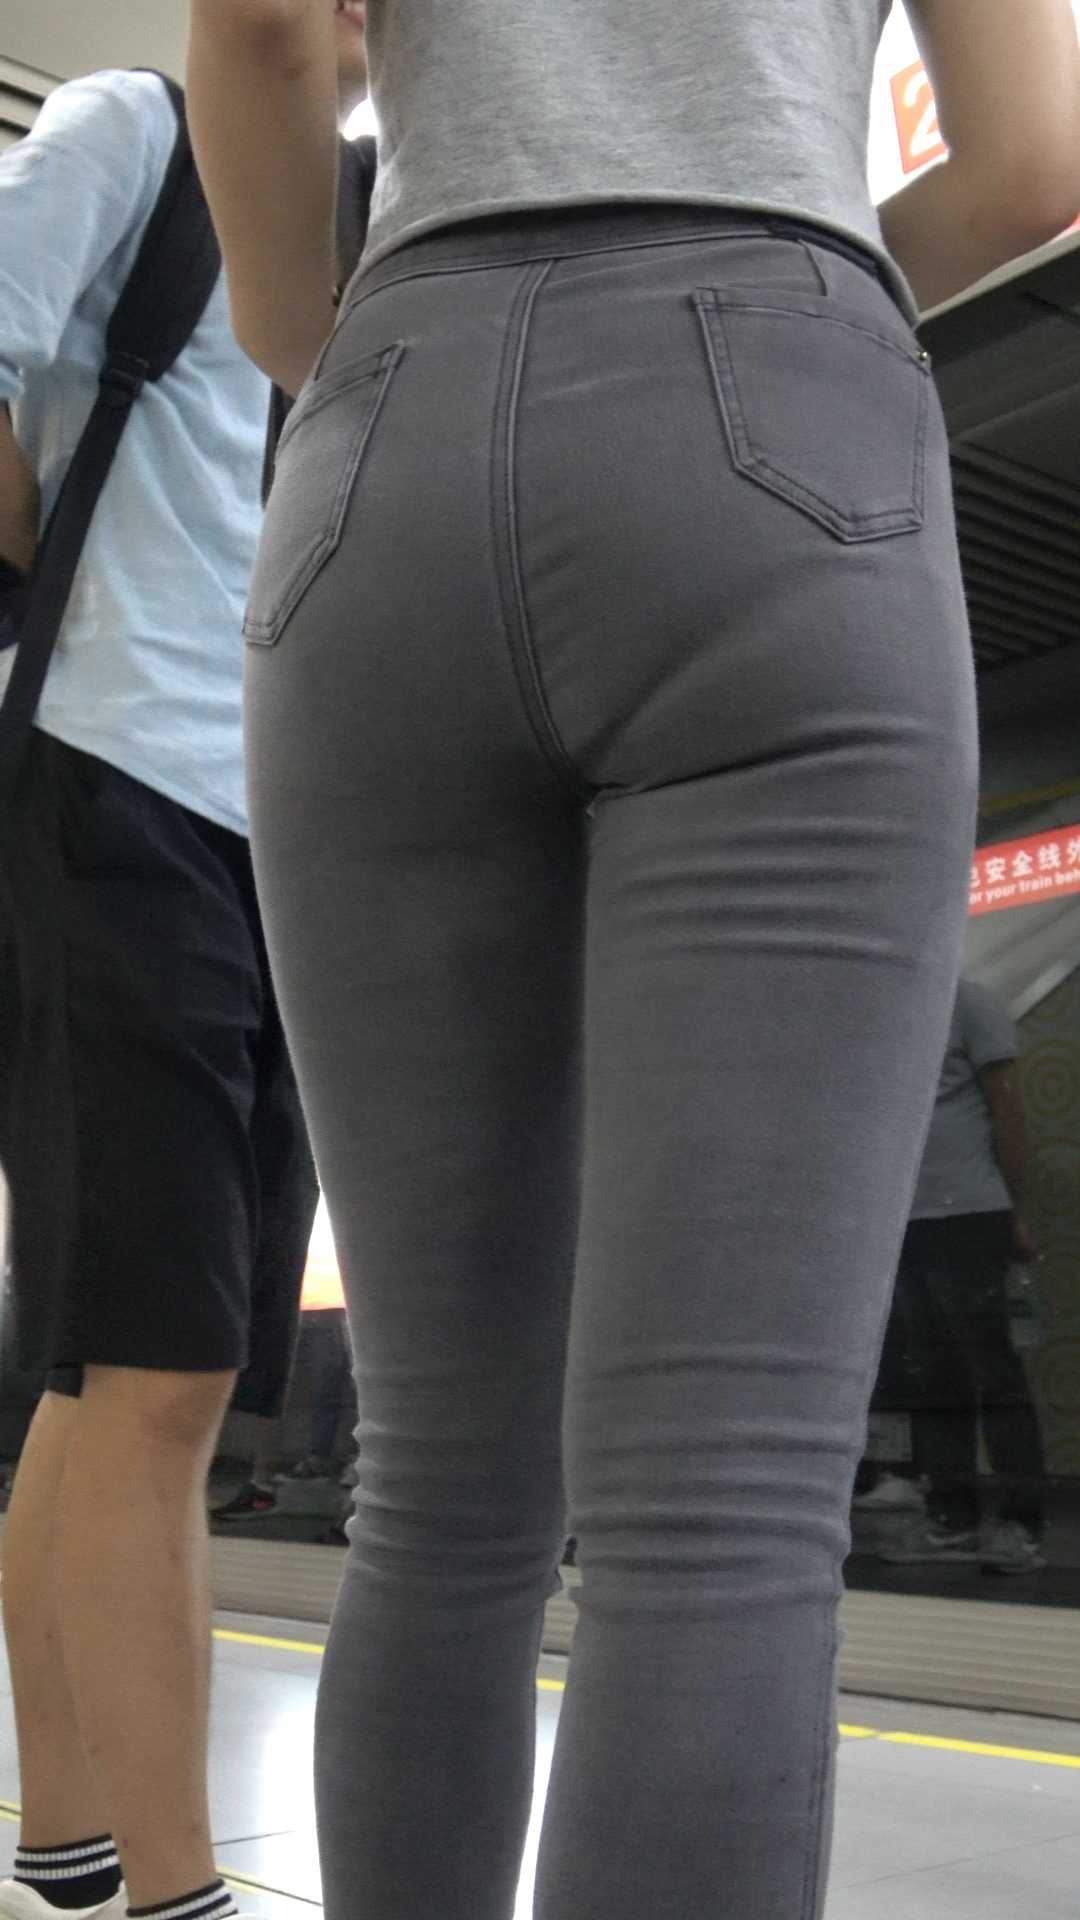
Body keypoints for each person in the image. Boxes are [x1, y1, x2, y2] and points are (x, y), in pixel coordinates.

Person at [187, 2, 1080, 1915]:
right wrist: (789, 301)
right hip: (780, 396)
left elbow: (257, 30)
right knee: (718, 1505)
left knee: (437, 1478)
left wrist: (311, 338)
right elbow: (1030, 164)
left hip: (391, 421)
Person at [0, 11, 368, 1920]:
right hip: (109, 766)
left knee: (114, 1370)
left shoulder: (368, 215)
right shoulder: (131, 128)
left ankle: (64, 1826)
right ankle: (174, 1885)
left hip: (271, 824)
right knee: (164, 1365)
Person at [878, 978, 1047, 1574]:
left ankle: (1022, 1524)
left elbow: (1008, 1109)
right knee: (932, 1376)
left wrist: (1016, 1211)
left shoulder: (968, 1001)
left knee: (992, 1371)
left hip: (969, 1213)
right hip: (902, 1217)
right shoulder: (884, 1005)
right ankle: (951, 1516)